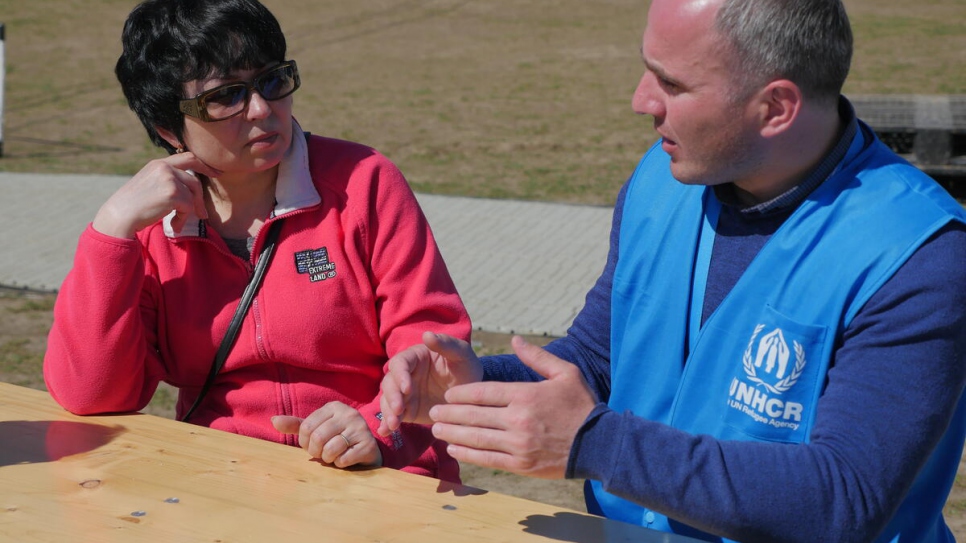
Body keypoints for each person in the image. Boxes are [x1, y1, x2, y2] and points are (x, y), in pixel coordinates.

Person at [378, 0, 966, 540]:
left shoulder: (917, 253)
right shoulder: (664, 181)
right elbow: (599, 361)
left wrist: (595, 444)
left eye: (672, 83)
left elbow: (845, 499)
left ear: (776, 107)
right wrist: (477, 385)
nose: (642, 101)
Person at [43, 0, 470, 483]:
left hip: (380, 473)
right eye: (226, 96)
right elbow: (91, 394)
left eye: (271, 80)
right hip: (222, 482)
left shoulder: (364, 182)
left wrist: (377, 426)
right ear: (169, 130)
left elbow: (434, 346)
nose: (263, 109)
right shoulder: (148, 227)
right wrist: (111, 231)